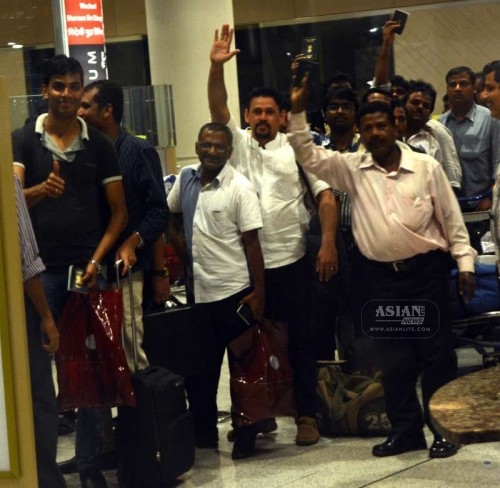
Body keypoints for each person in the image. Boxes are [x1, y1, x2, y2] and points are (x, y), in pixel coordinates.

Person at [288, 77, 476, 459]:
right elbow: (308, 154)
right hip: (380, 282)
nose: (375, 133)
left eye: (382, 126)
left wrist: (466, 263)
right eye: (368, 127)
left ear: (397, 127)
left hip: (426, 275)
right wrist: (296, 109)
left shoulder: (425, 167)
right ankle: (406, 431)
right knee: (393, 360)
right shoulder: (352, 168)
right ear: (360, 131)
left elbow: (452, 220)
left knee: (436, 356)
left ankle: (445, 430)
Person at [208, 24, 338, 457]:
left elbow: (325, 199)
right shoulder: (239, 145)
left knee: (299, 340)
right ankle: (254, 416)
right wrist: (214, 67)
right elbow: (216, 106)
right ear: (247, 116)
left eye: (270, 112)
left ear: (282, 117)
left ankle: (305, 415)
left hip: (291, 261)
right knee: (245, 345)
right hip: (244, 266)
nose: (262, 118)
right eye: (256, 112)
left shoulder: (298, 149)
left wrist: (328, 244)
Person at [12, 55, 127, 488]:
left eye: (74, 86)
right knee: (41, 383)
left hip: (86, 273)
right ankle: (45, 477)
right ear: (45, 90)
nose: (66, 94)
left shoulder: (99, 145)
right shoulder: (23, 139)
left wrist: (97, 261)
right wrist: (41, 191)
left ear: (82, 92)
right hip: (35, 276)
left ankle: (90, 467)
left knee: (90, 377)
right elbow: (12, 203)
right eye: (58, 86)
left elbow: (118, 214)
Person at [167, 122, 265, 457]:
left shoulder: (240, 187)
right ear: (197, 146)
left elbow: (253, 243)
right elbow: (170, 215)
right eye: (206, 145)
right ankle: (204, 434)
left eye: (219, 147)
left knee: (243, 371)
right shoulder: (185, 178)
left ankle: (247, 431)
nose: (212, 151)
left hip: (234, 293)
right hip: (198, 295)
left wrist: (259, 292)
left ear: (229, 152)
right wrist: (182, 252)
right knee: (200, 372)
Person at [78, 79, 170, 370]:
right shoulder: (82, 152)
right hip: (87, 269)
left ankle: (139, 413)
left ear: (107, 110)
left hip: (126, 271)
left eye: (85, 105)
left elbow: (158, 211)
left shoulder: (137, 151)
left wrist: (135, 241)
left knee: (130, 346)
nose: (79, 112)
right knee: (95, 349)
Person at [14, 174, 66, 488]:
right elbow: (25, 260)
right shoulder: (6, 179)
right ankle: (44, 480)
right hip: (17, 306)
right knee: (38, 397)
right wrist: (46, 316)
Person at [439, 66, 500, 211]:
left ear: (473, 88)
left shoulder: (490, 118)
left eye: (463, 84)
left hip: (483, 205)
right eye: (452, 85)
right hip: (451, 207)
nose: (457, 88)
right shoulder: (440, 124)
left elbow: (498, 164)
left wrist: (490, 199)